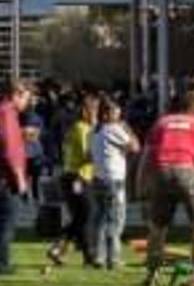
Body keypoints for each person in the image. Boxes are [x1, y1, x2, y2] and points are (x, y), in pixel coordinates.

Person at [140, 89, 194, 286]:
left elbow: (145, 158)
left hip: (161, 172)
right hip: (185, 170)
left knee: (158, 227)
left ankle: (152, 276)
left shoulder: (161, 123)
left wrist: (141, 184)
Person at [0, 81, 32, 277]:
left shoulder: (2, 111)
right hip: (5, 177)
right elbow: (9, 149)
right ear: (16, 95)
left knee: (3, 219)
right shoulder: (6, 113)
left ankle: (0, 261)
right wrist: (19, 177)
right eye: (26, 98)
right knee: (7, 220)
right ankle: (1, 262)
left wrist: (21, 135)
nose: (27, 103)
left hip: (0, 174)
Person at [45, 93, 96, 269]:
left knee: (81, 217)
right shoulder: (83, 129)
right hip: (78, 177)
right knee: (87, 215)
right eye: (94, 110)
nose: (96, 115)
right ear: (85, 111)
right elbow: (87, 154)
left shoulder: (75, 128)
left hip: (72, 175)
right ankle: (82, 254)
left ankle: (63, 250)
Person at [88, 97, 139, 270]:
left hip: (98, 178)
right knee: (116, 219)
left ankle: (99, 256)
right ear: (107, 114)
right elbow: (135, 147)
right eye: (116, 112)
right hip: (113, 179)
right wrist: (128, 129)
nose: (120, 115)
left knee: (101, 219)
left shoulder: (94, 131)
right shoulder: (115, 128)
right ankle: (114, 258)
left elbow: (92, 153)